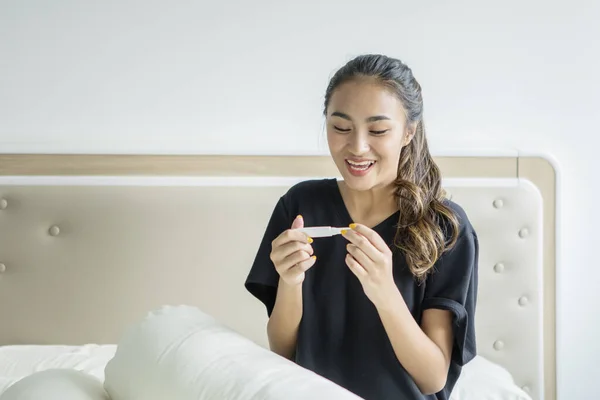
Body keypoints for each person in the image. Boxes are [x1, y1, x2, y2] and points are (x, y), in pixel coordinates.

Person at [244, 54, 479, 400]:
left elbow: (433, 378)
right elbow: (282, 351)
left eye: (378, 130)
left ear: (408, 131)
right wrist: (291, 282)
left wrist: (384, 292)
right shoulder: (300, 206)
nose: (356, 147)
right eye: (340, 128)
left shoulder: (444, 228)